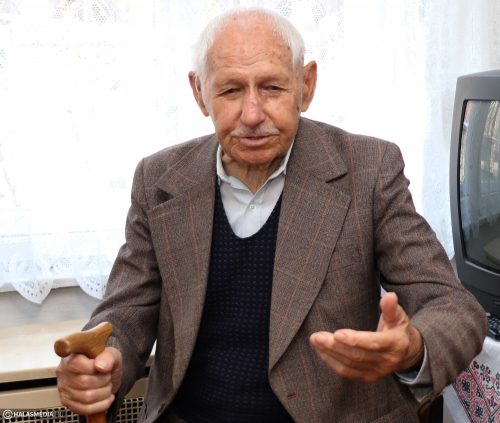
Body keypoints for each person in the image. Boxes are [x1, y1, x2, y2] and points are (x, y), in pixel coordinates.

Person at [56, 7, 488, 423]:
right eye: (230, 90)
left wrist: (413, 349)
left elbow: (455, 309)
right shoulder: (159, 180)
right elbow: (126, 312)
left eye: (272, 88)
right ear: (199, 92)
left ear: (307, 85)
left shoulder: (368, 170)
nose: (252, 114)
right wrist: (103, 362)